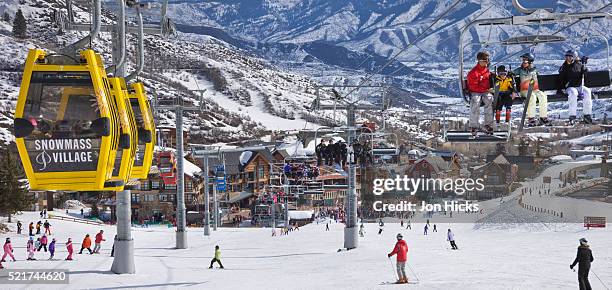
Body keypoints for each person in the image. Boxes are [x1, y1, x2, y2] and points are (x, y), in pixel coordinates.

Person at [513, 53, 550, 127]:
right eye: (523, 61)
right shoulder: (520, 70)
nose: (523, 62)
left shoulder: (534, 70)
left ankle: (543, 117)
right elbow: (512, 74)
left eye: (525, 61)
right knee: (532, 97)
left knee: (543, 96)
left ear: (530, 62)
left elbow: (539, 78)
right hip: (525, 90)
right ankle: (531, 118)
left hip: (535, 89)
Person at [558, 50, 592, 124]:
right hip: (570, 87)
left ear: (574, 58)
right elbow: (560, 78)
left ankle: (587, 115)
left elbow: (586, 73)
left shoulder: (579, 64)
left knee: (587, 92)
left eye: (570, 57)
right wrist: (560, 89)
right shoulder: (564, 66)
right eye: (567, 57)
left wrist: (584, 66)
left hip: (579, 86)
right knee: (573, 93)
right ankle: (572, 116)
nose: (568, 59)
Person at [466, 51, 494, 136]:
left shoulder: (486, 70)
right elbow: (473, 87)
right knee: (475, 102)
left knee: (490, 100)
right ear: (480, 61)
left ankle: (488, 124)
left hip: (485, 91)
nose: (487, 62)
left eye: (488, 60)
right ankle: (474, 126)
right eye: (485, 60)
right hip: (476, 91)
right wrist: (486, 90)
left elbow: (489, 77)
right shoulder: (473, 73)